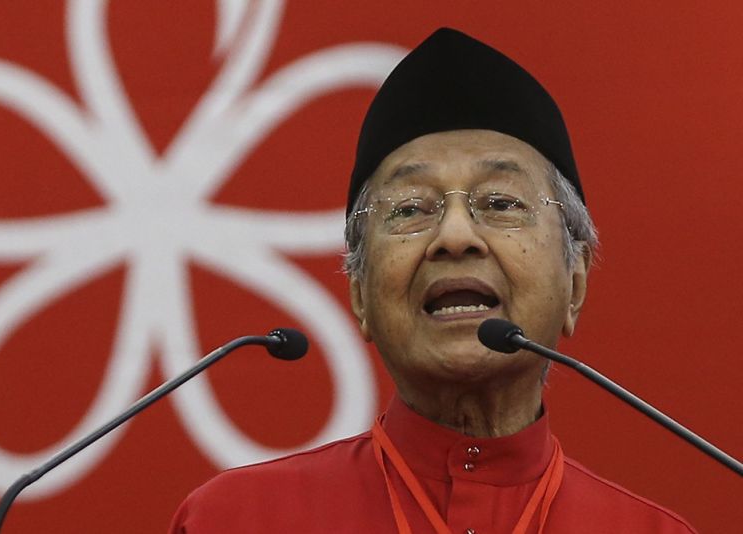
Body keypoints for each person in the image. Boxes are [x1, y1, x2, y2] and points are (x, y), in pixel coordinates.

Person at [169, 28, 697, 533]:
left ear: (575, 285)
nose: (455, 235)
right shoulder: (234, 520)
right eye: (409, 208)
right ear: (359, 296)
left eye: (501, 202)